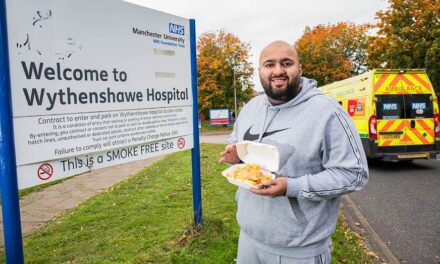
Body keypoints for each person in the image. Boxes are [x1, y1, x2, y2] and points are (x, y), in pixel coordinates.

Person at [218, 40, 368, 264]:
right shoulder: (250, 108)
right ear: (259, 71)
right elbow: (237, 147)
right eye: (269, 64)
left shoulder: (327, 112)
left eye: (286, 63)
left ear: (299, 68)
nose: (278, 70)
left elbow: (354, 175)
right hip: (249, 239)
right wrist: (235, 158)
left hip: (299, 250)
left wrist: (292, 187)